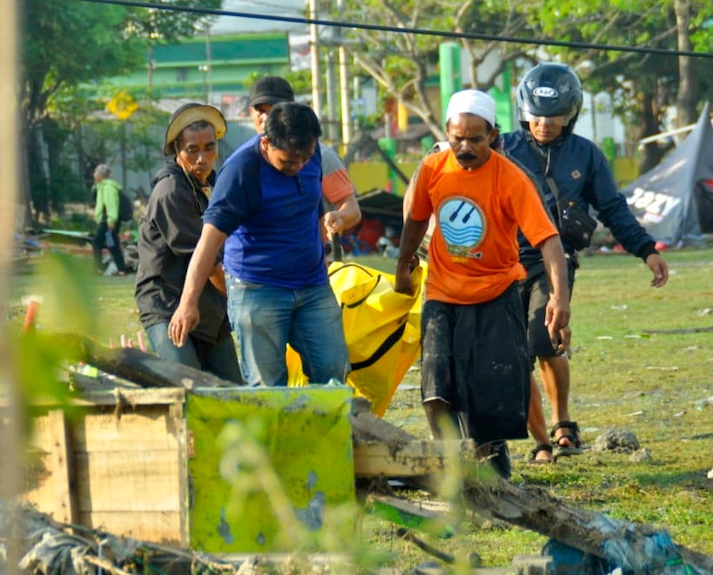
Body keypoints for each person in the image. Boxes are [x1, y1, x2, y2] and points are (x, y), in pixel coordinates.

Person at [394, 89, 571, 478]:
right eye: (458, 138)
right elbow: (416, 221)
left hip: (496, 294)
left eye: (476, 138)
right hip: (442, 293)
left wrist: (560, 297)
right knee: (436, 388)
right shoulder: (432, 169)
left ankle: (492, 465)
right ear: (447, 132)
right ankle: (452, 469)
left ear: (492, 135)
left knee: (490, 395)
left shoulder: (510, 178)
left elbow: (548, 239)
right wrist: (402, 265)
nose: (466, 146)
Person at [503, 63, 669, 463]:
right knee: (514, 353)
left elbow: (613, 208)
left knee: (544, 340)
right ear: (524, 112)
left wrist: (647, 250)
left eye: (554, 117)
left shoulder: (586, 155)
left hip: (553, 261)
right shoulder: (501, 148)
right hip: (503, 262)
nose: (544, 125)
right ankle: (541, 441)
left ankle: (563, 425)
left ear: (570, 115)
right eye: (537, 116)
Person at [168, 102, 350, 387]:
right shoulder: (242, 171)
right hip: (257, 288)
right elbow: (209, 240)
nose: (299, 166)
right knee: (267, 386)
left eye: (306, 157)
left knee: (333, 370)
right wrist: (188, 303)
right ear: (266, 142)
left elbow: (309, 206)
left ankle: (324, 431)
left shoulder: (309, 154)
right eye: (289, 162)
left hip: (312, 284)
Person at [134, 103, 242, 382]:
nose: (202, 158)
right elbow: (209, 261)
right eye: (192, 149)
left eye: (209, 147)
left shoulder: (216, 185)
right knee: (190, 390)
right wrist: (244, 302)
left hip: (210, 310)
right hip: (168, 306)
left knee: (235, 393)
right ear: (176, 151)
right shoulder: (170, 190)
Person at [247, 76, 361, 241]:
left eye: (274, 110)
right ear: (250, 112)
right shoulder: (245, 162)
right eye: (261, 110)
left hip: (318, 259)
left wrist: (340, 217)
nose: (267, 117)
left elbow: (351, 206)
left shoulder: (322, 157)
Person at [91, 163, 128, 276]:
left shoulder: (108, 188)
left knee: (96, 242)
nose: (94, 175)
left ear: (101, 175)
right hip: (106, 220)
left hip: (108, 221)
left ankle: (98, 268)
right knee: (112, 245)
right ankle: (121, 269)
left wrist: (111, 220)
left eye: (96, 172)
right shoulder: (101, 186)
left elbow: (111, 205)